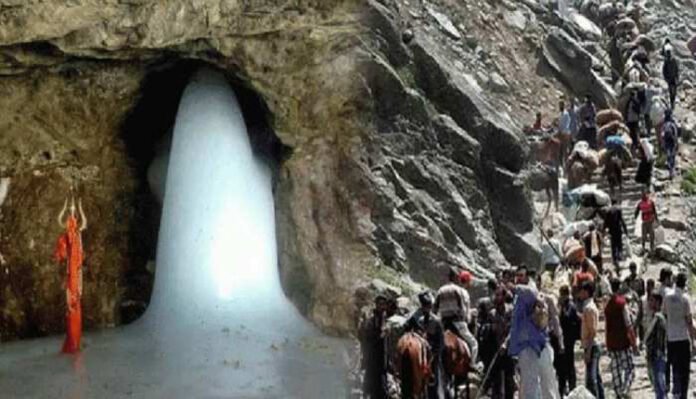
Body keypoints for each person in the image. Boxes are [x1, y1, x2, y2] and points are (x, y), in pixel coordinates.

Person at [508, 270, 559, 399]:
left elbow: (531, 293)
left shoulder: (529, 292)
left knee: (543, 382)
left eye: (521, 276)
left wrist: (513, 287)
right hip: (528, 345)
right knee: (531, 383)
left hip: (534, 344)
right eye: (516, 276)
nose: (518, 278)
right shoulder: (518, 299)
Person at [54, 195, 87, 354]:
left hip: (75, 273)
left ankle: (75, 340)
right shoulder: (68, 236)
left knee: (75, 304)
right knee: (72, 305)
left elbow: (76, 255)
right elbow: (62, 254)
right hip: (72, 274)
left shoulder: (76, 235)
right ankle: (73, 340)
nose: (72, 216)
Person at [434, 268, 479, 369]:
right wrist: (467, 320)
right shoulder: (458, 291)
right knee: (474, 343)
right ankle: (472, 364)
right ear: (455, 278)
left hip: (444, 323)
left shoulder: (440, 290)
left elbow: (434, 308)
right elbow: (463, 309)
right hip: (457, 322)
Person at [405, 291, 446, 399]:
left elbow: (441, 343)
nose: (426, 308)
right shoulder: (417, 318)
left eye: (427, 306)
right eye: (425, 306)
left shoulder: (435, 321)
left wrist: (434, 354)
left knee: (435, 375)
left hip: (432, 353)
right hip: (422, 352)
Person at [662, 272, 696, 399]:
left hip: (670, 337)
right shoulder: (685, 299)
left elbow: (664, 315)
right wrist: (693, 342)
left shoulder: (667, 296)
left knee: (673, 366)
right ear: (685, 283)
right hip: (682, 338)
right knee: (684, 371)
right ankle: (683, 395)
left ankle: (673, 391)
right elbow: (689, 321)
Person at [605, 278, 638, 398]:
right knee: (629, 368)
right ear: (619, 287)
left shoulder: (607, 305)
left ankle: (618, 392)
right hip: (623, 342)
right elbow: (628, 324)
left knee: (616, 369)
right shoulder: (622, 303)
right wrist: (634, 343)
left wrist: (607, 343)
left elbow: (607, 326)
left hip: (612, 343)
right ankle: (625, 389)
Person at [358, 295, 390, 399]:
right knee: (372, 389)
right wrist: (381, 336)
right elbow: (368, 341)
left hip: (382, 363)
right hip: (373, 363)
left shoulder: (384, 320)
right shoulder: (371, 322)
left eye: (384, 305)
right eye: (380, 304)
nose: (382, 307)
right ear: (376, 305)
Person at [489, 286, 515, 399]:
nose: (497, 297)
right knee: (496, 381)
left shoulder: (510, 311)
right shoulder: (492, 314)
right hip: (495, 350)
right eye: (496, 295)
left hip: (509, 350)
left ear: (504, 297)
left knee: (509, 380)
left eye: (499, 295)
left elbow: (513, 330)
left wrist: (505, 344)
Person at [579, 281, 604, 399]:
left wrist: (588, 351)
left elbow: (592, 331)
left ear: (586, 292)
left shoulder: (589, 308)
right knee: (597, 378)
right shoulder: (588, 307)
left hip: (592, 346)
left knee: (591, 379)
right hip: (591, 345)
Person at [557, 285, 581, 396]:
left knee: (569, 364)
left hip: (568, 340)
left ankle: (571, 388)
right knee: (562, 366)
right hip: (564, 340)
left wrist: (561, 308)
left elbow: (567, 318)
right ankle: (563, 388)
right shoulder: (565, 305)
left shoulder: (570, 306)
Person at [645, 291, 668, 399]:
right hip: (653, 354)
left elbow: (661, 338)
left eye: (652, 301)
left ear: (658, 302)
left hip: (657, 355)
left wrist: (659, 353)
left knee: (659, 384)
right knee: (657, 384)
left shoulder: (659, 318)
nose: (649, 303)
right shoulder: (654, 317)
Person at [604, 198, 629, 266]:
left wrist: (604, 231)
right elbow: (622, 220)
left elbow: (606, 222)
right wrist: (625, 230)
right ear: (616, 202)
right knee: (619, 243)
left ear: (611, 203)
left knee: (613, 245)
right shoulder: (618, 209)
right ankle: (619, 256)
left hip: (612, 231)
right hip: (618, 229)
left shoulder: (608, 210)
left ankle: (615, 259)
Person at [637, 279, 657, 348]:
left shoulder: (656, 300)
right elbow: (640, 314)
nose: (648, 288)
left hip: (654, 327)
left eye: (651, 286)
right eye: (648, 286)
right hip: (645, 326)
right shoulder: (642, 299)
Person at [662, 109, 679, 179]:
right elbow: (675, 133)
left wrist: (662, 143)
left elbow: (662, 134)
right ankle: (672, 172)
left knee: (669, 156)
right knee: (672, 156)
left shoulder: (665, 124)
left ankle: (670, 172)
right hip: (672, 141)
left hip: (667, 142)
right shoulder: (672, 124)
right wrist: (676, 141)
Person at [662, 44, 680, 110]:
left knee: (674, 91)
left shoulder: (673, 60)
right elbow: (664, 70)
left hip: (673, 78)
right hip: (669, 79)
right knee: (671, 91)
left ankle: (673, 102)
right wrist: (666, 78)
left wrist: (677, 77)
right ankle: (672, 102)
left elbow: (677, 69)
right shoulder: (666, 61)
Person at [625, 90, 642, 154]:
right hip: (632, 120)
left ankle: (634, 144)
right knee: (633, 132)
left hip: (632, 120)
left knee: (633, 132)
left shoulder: (631, 101)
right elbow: (637, 110)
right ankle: (634, 144)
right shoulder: (633, 101)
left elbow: (637, 110)